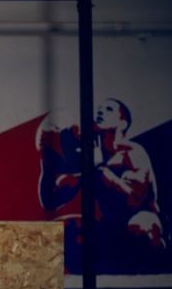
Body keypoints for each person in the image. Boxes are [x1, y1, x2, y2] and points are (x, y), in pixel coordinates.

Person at [38, 98, 165, 273]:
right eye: (99, 108)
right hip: (107, 225)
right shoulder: (92, 154)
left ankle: (158, 276)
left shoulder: (133, 152)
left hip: (138, 219)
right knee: (59, 231)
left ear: (123, 123)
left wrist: (99, 167)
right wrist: (47, 167)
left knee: (142, 224)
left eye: (109, 109)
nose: (100, 111)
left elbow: (132, 200)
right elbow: (51, 201)